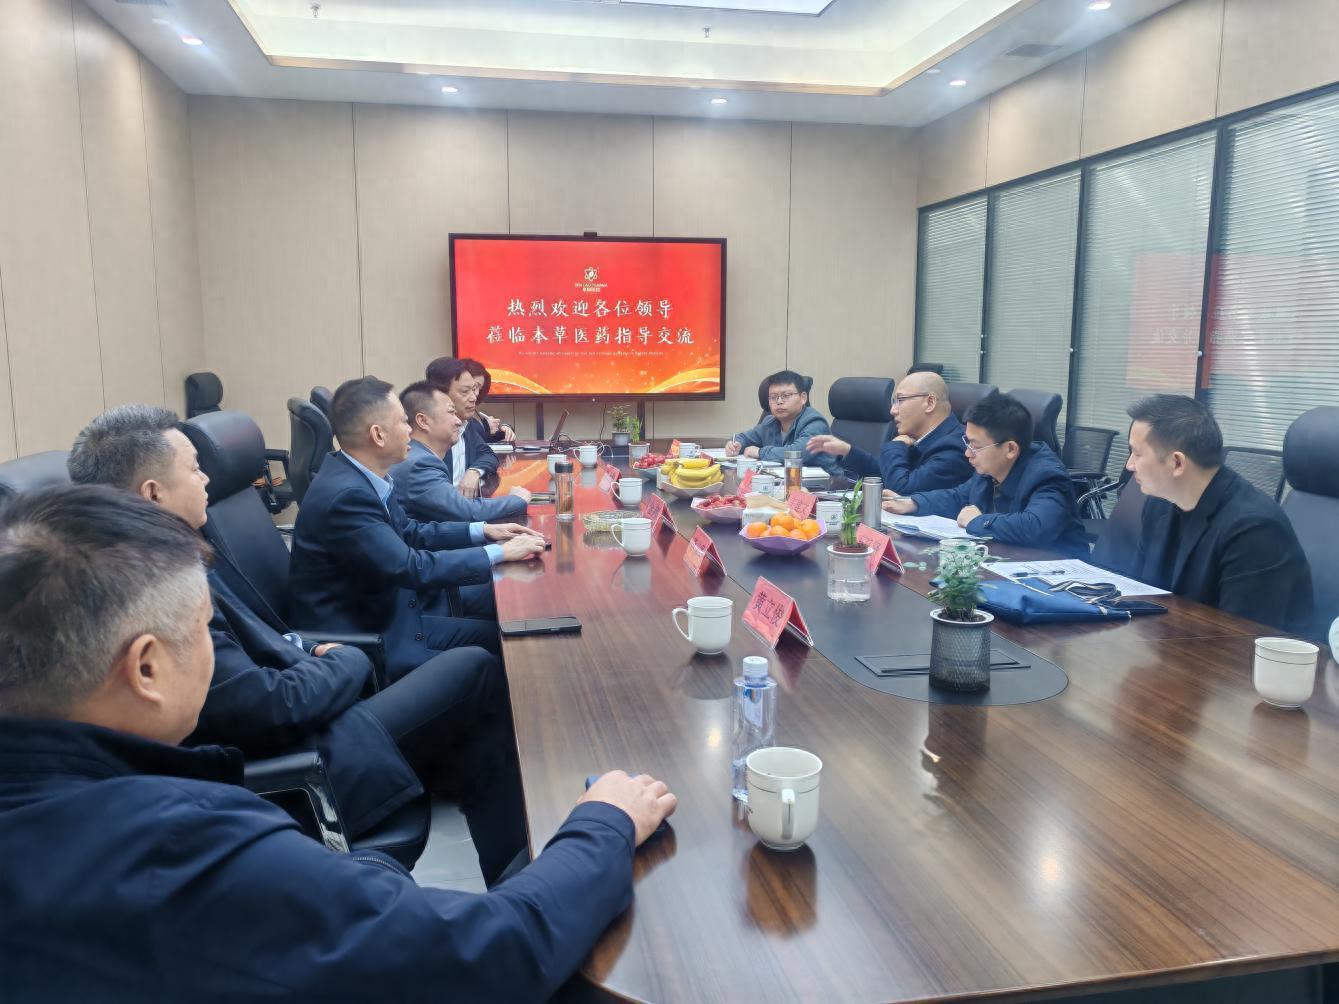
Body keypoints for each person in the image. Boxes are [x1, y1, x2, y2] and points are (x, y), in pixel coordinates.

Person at [0, 484, 677, 1001]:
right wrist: (603, 822)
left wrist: (352, 880)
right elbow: (495, 955)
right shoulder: (180, 851)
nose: (213, 649)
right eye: (205, 629)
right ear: (146, 668)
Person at [66, 405, 527, 881]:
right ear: (153, 493)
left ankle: (513, 872)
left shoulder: (158, 553)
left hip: (305, 702)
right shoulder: (153, 589)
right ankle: (517, 877)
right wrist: (346, 663)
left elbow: (267, 644)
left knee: (470, 690)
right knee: (475, 670)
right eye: (194, 469)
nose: (206, 479)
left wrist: (311, 656)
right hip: (293, 766)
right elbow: (269, 706)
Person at [289, 377, 546, 678]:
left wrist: (483, 530)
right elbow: (412, 567)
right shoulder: (348, 496)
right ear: (378, 435)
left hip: (393, 615)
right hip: (370, 640)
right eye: (403, 422)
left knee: (503, 632)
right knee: (492, 656)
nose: (410, 430)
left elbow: (411, 532)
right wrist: (499, 553)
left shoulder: (361, 474)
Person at [1114, 394, 1313, 635]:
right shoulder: (1159, 505)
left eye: (1137, 454)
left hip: (1225, 653)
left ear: (1177, 463)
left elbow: (1239, 638)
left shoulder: (1254, 529)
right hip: (1167, 644)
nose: (1129, 465)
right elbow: (1141, 594)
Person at [885, 390, 1088, 555]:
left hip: (1062, 576)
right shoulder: (989, 469)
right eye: (967, 442)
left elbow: (1036, 526)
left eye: (975, 446)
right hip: (1009, 562)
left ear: (1010, 449)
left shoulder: (1047, 475)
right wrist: (913, 502)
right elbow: (958, 496)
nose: (967, 453)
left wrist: (977, 521)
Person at [806, 371, 972, 493]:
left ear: (930, 403)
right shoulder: (919, 436)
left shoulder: (955, 447)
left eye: (900, 400)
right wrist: (848, 451)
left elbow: (901, 489)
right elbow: (886, 472)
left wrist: (895, 446)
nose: (893, 410)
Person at [392, 381, 531, 522]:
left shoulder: (417, 454)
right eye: (451, 412)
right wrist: (516, 500)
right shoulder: (419, 464)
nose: (458, 421)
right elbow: (466, 511)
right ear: (423, 421)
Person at [425, 357, 511, 498]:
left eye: (475, 390)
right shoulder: (429, 435)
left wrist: (474, 471)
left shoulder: (467, 425)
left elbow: (488, 454)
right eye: (465, 391)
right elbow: (442, 502)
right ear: (440, 394)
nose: (474, 397)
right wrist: (514, 500)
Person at [724, 369, 840, 472]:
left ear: (803, 398)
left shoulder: (815, 423)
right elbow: (744, 437)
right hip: (786, 482)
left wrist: (760, 452)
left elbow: (796, 454)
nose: (779, 401)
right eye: (773, 397)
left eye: (786, 395)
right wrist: (736, 444)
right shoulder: (770, 422)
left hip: (828, 485)